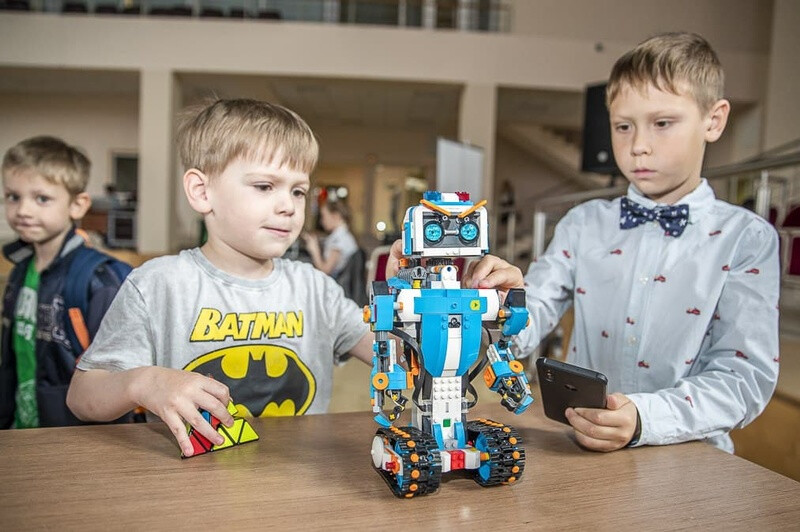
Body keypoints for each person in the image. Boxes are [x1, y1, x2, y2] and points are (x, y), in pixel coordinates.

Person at [391, 32, 780, 454]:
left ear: (714, 120)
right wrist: (496, 302)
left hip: (693, 454)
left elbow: (745, 377)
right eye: (623, 126)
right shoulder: (583, 223)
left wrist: (646, 417)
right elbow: (530, 318)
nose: (638, 146)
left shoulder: (747, 238)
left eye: (662, 123)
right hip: (581, 443)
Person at [66, 99, 374, 456]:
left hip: (299, 474)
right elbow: (81, 397)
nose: (289, 206)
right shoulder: (158, 285)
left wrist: (406, 293)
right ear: (202, 192)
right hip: (193, 481)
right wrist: (144, 381)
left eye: (298, 191)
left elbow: (396, 353)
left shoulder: (316, 290)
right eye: (264, 186)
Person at [1, 136, 128, 428]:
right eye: (13, 197)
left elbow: (117, 375)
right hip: (20, 429)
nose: (23, 210)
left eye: (42, 199)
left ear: (77, 205)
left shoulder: (97, 279)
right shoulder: (20, 272)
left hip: (71, 434)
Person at [302, 199, 359, 278]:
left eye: (323, 216)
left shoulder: (339, 240)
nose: (321, 221)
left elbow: (325, 271)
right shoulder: (343, 235)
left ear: (335, 216)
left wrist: (314, 250)